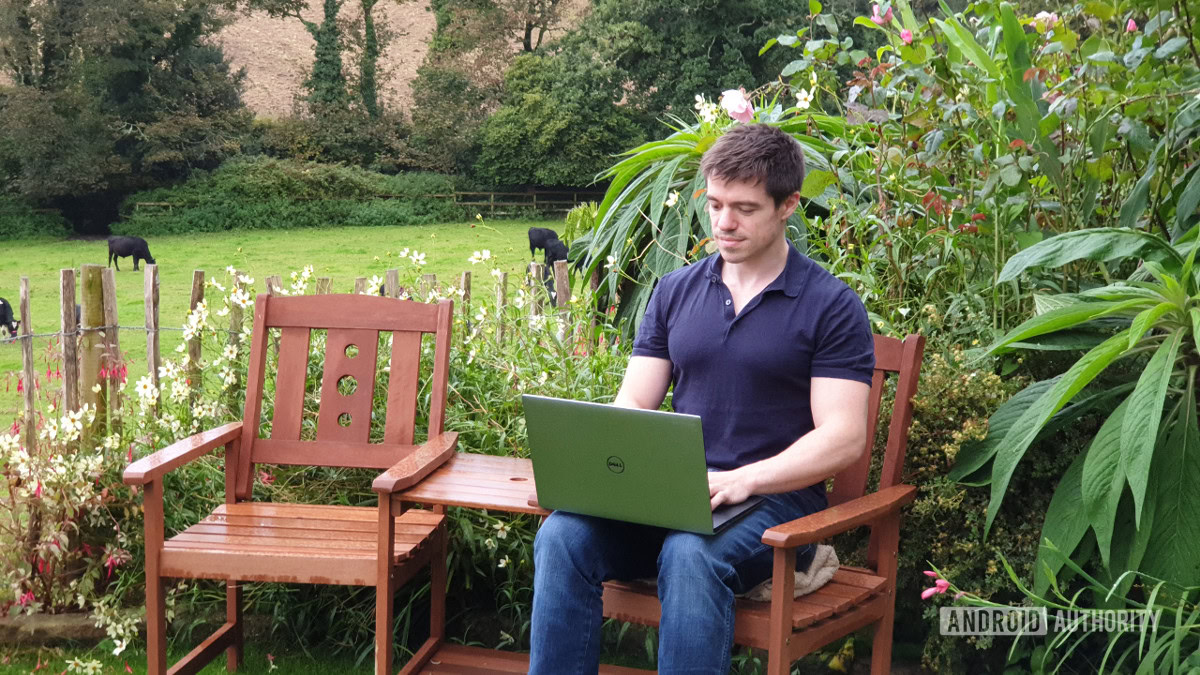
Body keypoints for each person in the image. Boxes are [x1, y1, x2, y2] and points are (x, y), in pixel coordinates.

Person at [528, 123, 876, 674]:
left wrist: (745, 479)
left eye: (744, 208)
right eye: (714, 204)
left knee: (690, 552)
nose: (723, 223)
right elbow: (635, 403)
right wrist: (598, 471)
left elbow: (844, 436)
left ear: (788, 206)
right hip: (674, 494)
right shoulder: (675, 292)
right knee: (563, 536)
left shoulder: (830, 305)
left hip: (777, 503)